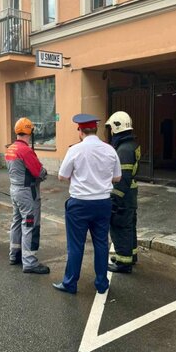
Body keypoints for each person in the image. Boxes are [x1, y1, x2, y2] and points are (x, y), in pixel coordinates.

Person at [53, 114, 121, 295]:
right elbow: (117, 177)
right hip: (103, 203)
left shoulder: (75, 150)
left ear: (80, 131)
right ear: (96, 130)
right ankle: (101, 283)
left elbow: (62, 176)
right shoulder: (110, 150)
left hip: (80, 204)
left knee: (76, 245)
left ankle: (70, 283)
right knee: (101, 243)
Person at [5, 117, 50, 275]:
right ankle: (30, 262)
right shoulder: (25, 150)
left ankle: (14, 254)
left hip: (15, 190)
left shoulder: (11, 148)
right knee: (30, 225)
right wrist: (44, 173)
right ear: (29, 131)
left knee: (17, 222)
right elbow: (39, 172)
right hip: (27, 192)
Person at [105, 111, 141, 273]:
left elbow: (122, 179)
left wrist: (114, 202)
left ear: (116, 128)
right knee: (129, 226)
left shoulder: (124, 150)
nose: (110, 132)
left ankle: (123, 263)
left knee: (120, 227)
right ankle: (130, 256)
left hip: (123, 196)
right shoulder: (131, 145)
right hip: (130, 194)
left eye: (111, 128)